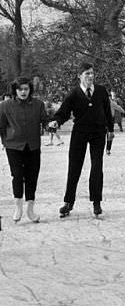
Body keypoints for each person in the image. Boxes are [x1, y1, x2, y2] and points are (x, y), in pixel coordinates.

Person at [49, 62, 115, 218]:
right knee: (74, 167)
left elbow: (107, 111)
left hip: (98, 132)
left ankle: (96, 202)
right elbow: (64, 112)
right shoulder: (74, 94)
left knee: (97, 167)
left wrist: (110, 130)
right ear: (80, 76)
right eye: (87, 74)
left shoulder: (101, 90)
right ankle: (68, 202)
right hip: (80, 132)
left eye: (92, 73)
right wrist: (56, 121)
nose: (90, 76)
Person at [0, 76, 49, 223]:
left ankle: (30, 209)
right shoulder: (5, 105)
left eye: (26, 89)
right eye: (20, 89)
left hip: (33, 145)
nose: (23, 92)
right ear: (15, 90)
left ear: (30, 90)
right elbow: (1, 125)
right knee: (17, 175)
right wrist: (5, 140)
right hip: (13, 145)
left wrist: (49, 126)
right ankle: (18, 207)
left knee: (32, 176)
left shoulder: (38, 104)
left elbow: (44, 121)